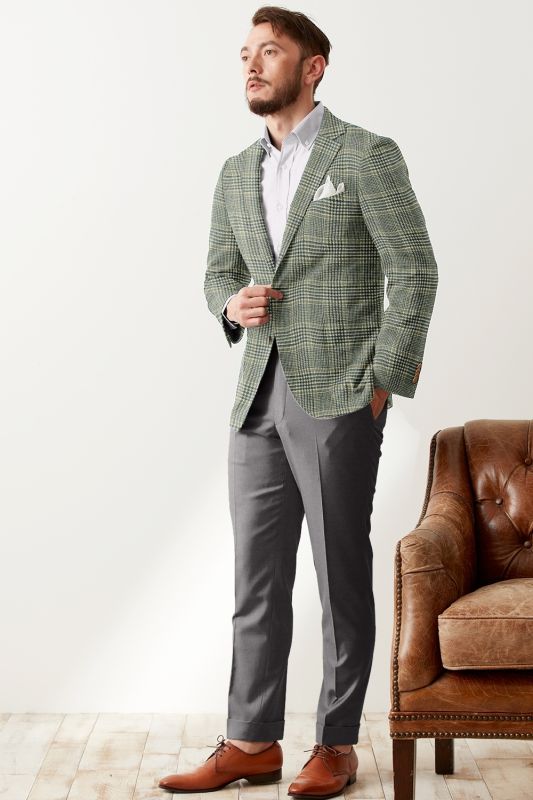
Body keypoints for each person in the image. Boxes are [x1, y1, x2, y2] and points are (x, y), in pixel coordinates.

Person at [159, 5, 438, 797]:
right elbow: (218, 270)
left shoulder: (366, 154)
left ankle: (336, 743)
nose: (251, 65)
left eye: (270, 52)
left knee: (338, 575)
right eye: (245, 53)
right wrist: (228, 303)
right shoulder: (232, 172)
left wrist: (380, 384)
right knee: (255, 579)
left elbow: (415, 270)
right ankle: (250, 741)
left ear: (313, 67)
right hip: (255, 394)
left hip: (340, 393)